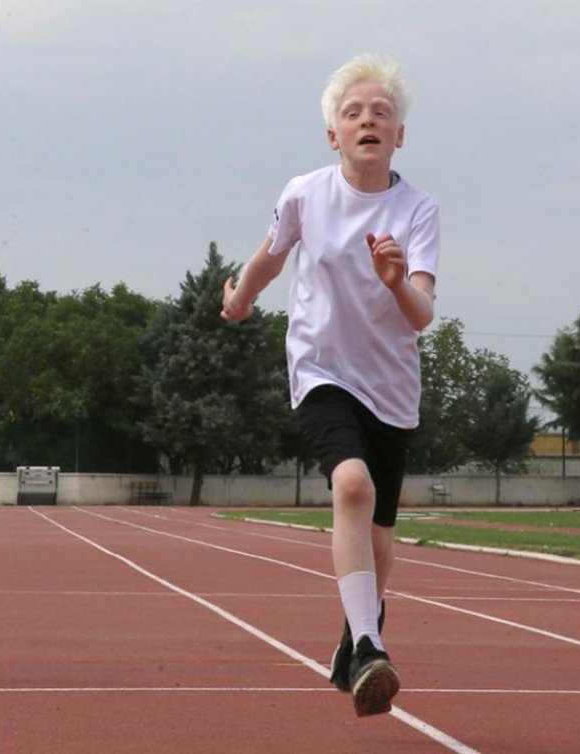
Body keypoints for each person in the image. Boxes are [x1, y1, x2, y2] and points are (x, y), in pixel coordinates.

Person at [220, 53, 438, 717]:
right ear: (333, 135)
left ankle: (356, 631)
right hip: (321, 370)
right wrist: (239, 299)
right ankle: (371, 645)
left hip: (392, 388)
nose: (367, 119)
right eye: (353, 113)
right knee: (351, 485)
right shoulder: (305, 194)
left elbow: (422, 316)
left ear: (399, 134)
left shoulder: (418, 210)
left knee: (377, 540)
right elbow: (268, 257)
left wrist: (398, 280)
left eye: (381, 113)